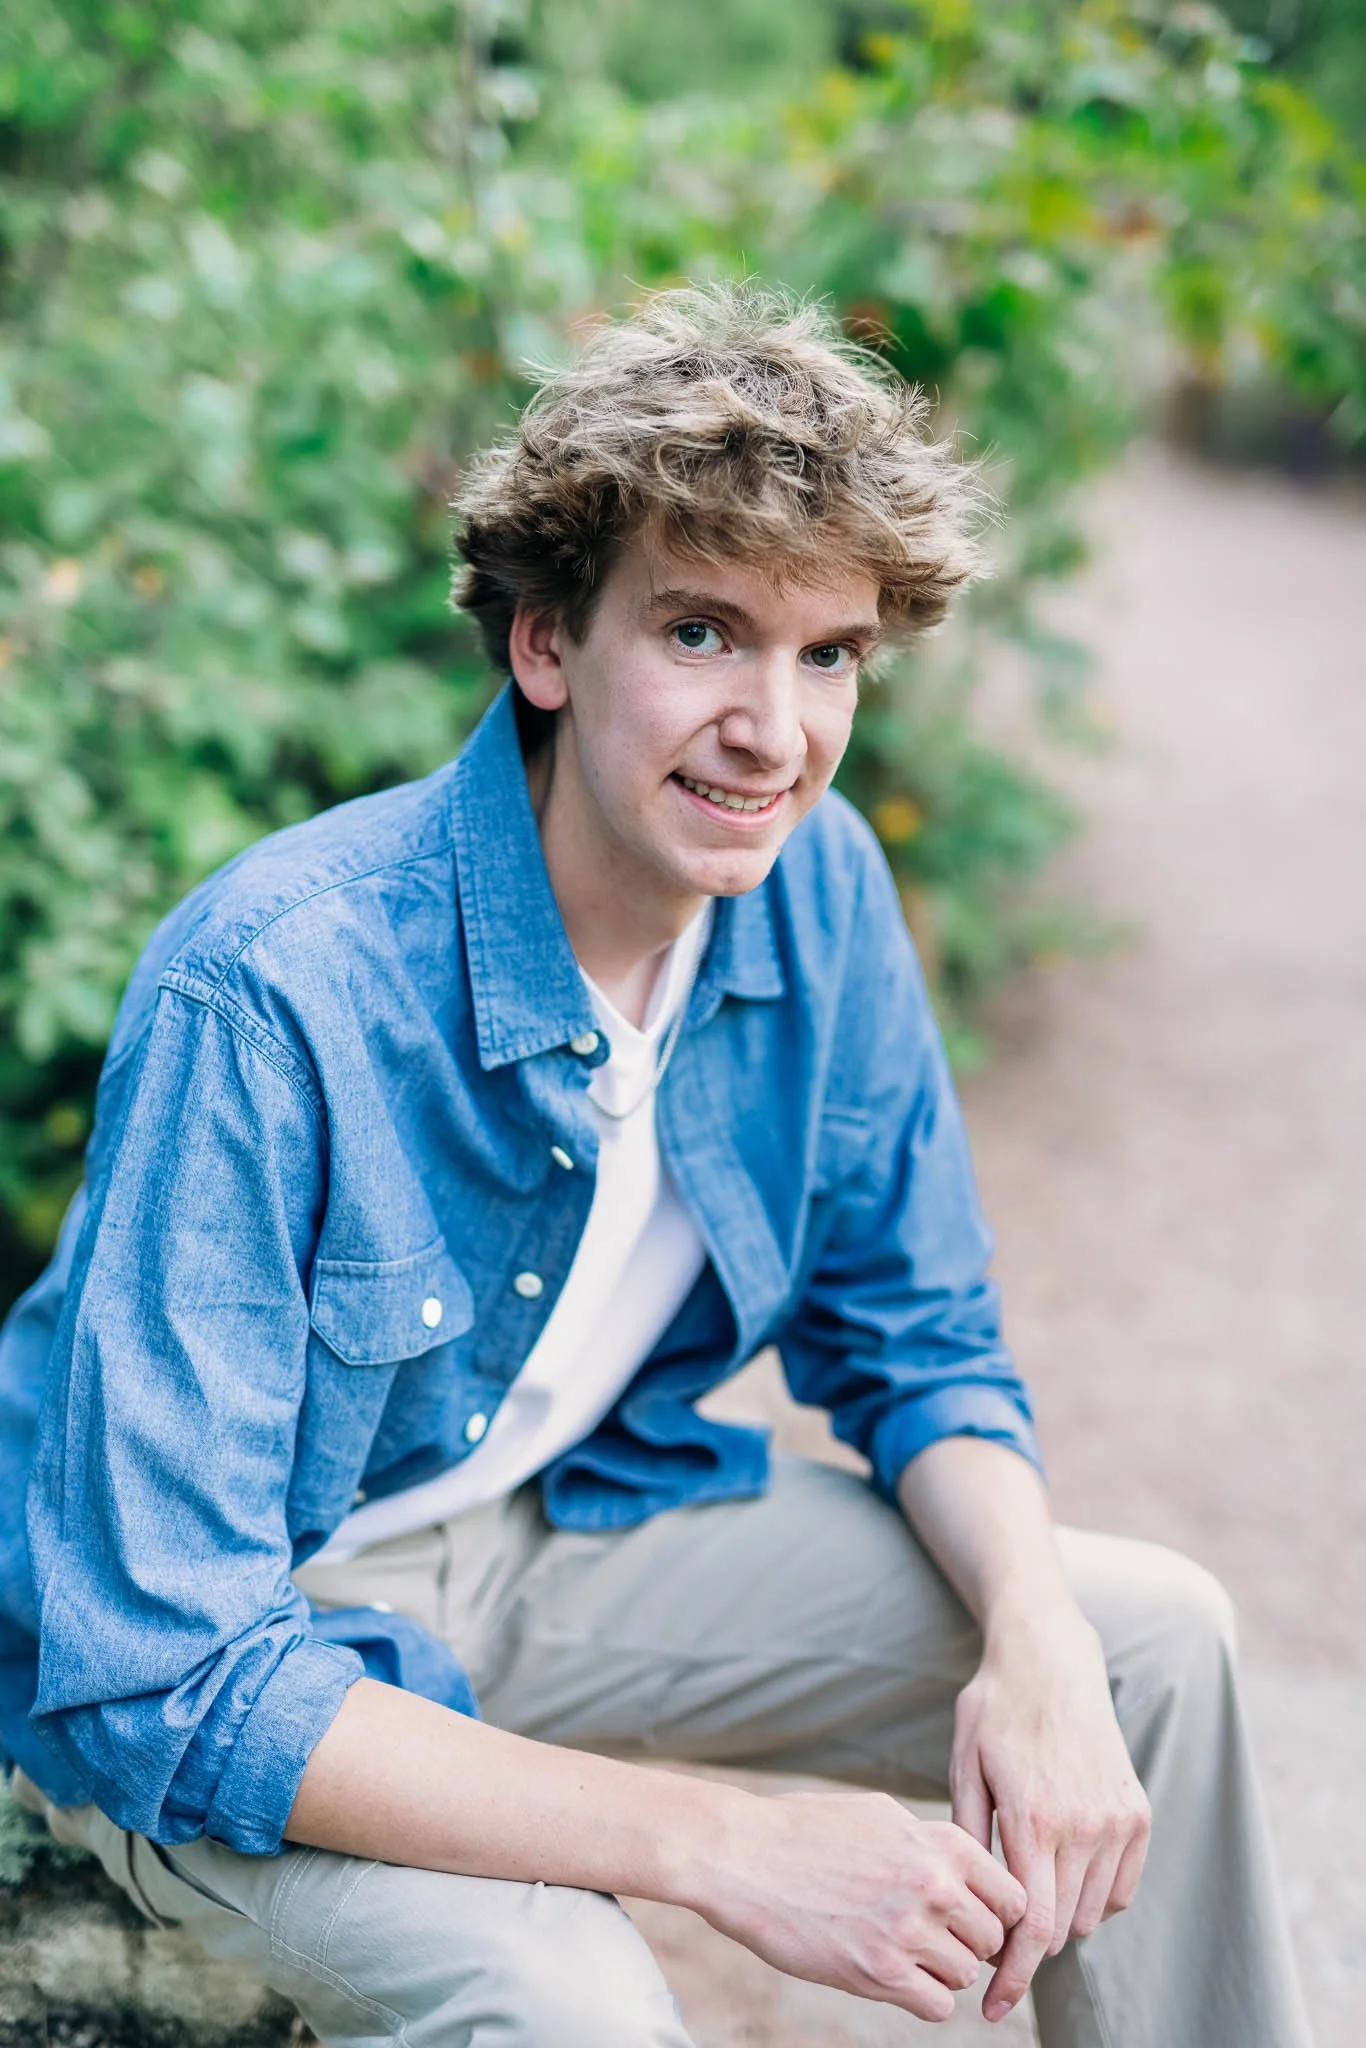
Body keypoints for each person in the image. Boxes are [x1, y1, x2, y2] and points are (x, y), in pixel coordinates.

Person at [0, 285, 1310, 2048]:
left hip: (547, 1542)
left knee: (1148, 1641)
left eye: (827, 653)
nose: (774, 730)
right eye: (703, 635)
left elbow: (912, 1337)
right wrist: (724, 1848)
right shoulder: (278, 990)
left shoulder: (818, 888)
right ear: (547, 643)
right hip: (254, 1636)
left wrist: (1040, 1647)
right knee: (568, 1998)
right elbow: (162, 1669)